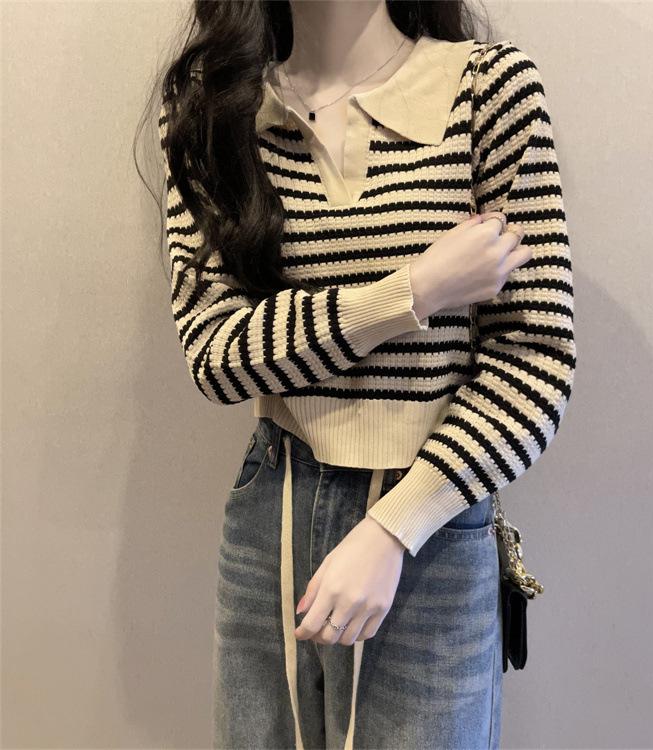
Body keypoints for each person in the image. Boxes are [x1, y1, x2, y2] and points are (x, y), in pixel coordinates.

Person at [153, 1, 576, 747]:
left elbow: (535, 358)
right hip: (272, 507)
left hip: (435, 519)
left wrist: (393, 527)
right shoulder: (214, 108)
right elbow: (215, 357)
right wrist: (413, 292)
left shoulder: (488, 90)